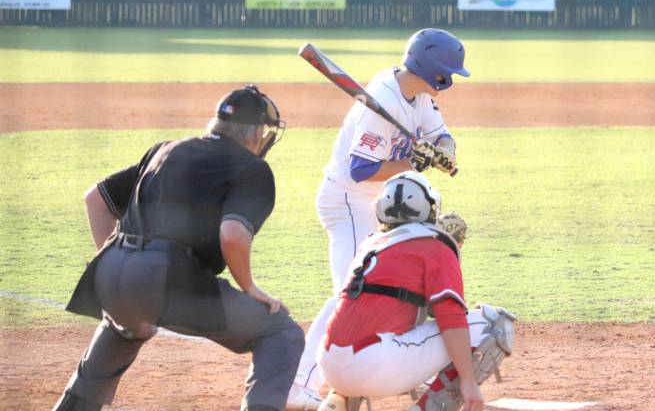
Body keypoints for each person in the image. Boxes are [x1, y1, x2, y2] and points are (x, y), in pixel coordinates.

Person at [52, 85, 305, 411]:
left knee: (123, 329)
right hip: (166, 280)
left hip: (110, 269)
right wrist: (250, 288)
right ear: (257, 133)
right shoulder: (252, 168)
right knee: (281, 332)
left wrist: (127, 266)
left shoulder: (167, 148)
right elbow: (232, 234)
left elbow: (96, 199)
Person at [287, 29, 470, 409]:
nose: (450, 80)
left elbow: (441, 134)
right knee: (351, 291)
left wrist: (443, 152)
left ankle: (360, 383)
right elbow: (359, 169)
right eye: (449, 73)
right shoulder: (383, 101)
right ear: (435, 70)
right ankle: (298, 384)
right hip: (349, 202)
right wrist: (412, 162)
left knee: (368, 291)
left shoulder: (419, 93)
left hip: (381, 210)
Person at [315, 171, 516, 411]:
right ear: (429, 208)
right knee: (494, 324)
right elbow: (450, 319)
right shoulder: (435, 246)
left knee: (367, 327)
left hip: (329, 364)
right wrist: (470, 383)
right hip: (376, 366)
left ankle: (337, 401)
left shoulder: (370, 245)